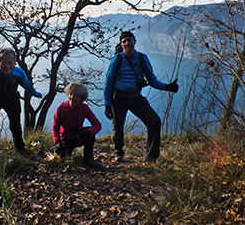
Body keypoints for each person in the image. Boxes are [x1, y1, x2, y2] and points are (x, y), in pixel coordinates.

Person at [104, 31, 178, 163]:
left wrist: (167, 87)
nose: (127, 43)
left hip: (135, 98)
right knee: (118, 129)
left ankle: (150, 158)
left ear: (134, 41)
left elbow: (152, 80)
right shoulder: (117, 60)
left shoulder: (143, 59)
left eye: (129, 40)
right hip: (118, 99)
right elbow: (108, 83)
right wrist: (107, 104)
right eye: (124, 41)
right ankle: (118, 153)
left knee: (154, 122)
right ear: (121, 44)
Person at [52, 82, 102, 166]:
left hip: (78, 136)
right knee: (63, 157)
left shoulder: (85, 108)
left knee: (90, 134)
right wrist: (57, 141)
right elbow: (55, 128)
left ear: (81, 97)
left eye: (76, 95)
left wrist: (88, 132)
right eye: (70, 94)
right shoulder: (62, 108)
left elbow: (97, 124)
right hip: (65, 139)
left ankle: (88, 159)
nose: (72, 97)